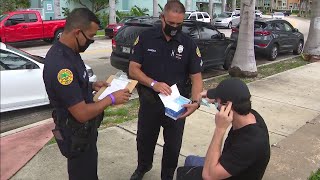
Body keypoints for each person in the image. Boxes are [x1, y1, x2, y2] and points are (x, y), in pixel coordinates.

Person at [43, 8, 131, 180]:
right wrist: (111, 98)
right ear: (77, 32)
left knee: (89, 171)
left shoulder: (71, 52)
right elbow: (81, 114)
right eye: (90, 37)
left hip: (84, 134)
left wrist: (91, 85)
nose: (91, 41)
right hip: (76, 135)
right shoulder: (62, 66)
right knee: (83, 174)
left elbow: (75, 86)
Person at [128, 1, 203, 179]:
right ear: (162, 18)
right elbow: (133, 69)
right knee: (145, 140)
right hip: (150, 101)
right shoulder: (146, 38)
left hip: (176, 105)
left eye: (179, 24)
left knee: (173, 145)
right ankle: (143, 167)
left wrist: (195, 102)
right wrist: (154, 83)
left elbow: (197, 78)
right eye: (171, 23)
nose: (175, 27)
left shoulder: (188, 44)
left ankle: (167, 175)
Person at [179, 78, 270, 180]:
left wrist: (220, 129)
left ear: (226, 106)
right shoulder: (252, 115)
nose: (216, 104)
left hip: (222, 175)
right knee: (190, 160)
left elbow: (208, 175)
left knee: (185, 174)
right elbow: (231, 94)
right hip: (233, 166)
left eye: (217, 102)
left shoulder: (251, 143)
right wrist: (208, 97)